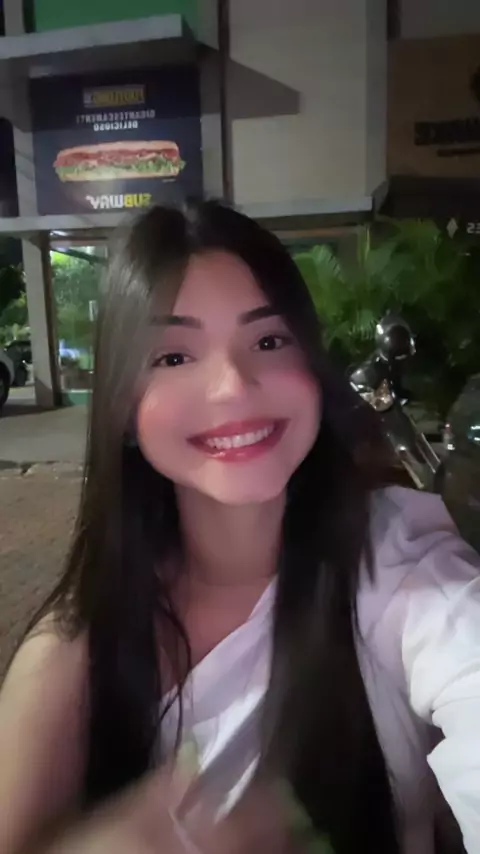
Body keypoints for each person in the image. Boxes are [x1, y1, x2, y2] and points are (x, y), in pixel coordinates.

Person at [0, 200, 479, 854]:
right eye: (173, 357)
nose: (231, 386)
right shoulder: (76, 647)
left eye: (269, 341)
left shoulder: (404, 567)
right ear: (123, 406)